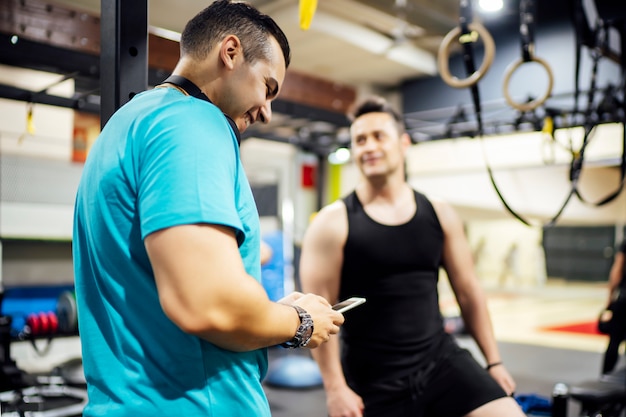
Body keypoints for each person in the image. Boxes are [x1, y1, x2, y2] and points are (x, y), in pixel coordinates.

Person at [72, 1, 344, 416]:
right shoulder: (194, 124)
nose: (267, 112)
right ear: (230, 53)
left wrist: (272, 312)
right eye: (267, 88)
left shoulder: (127, 123)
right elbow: (207, 304)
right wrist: (300, 323)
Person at [299, 96, 526, 417]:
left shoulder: (439, 213)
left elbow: (468, 290)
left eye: (379, 136)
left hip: (440, 362)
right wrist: (335, 388)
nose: (368, 147)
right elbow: (320, 313)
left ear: (403, 143)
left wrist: (494, 361)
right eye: (360, 140)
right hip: (372, 378)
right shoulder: (331, 223)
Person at [601, 238, 626, 375]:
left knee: (614, 342)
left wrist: (609, 302)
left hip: (623, 300)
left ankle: (605, 378)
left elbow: (617, 270)